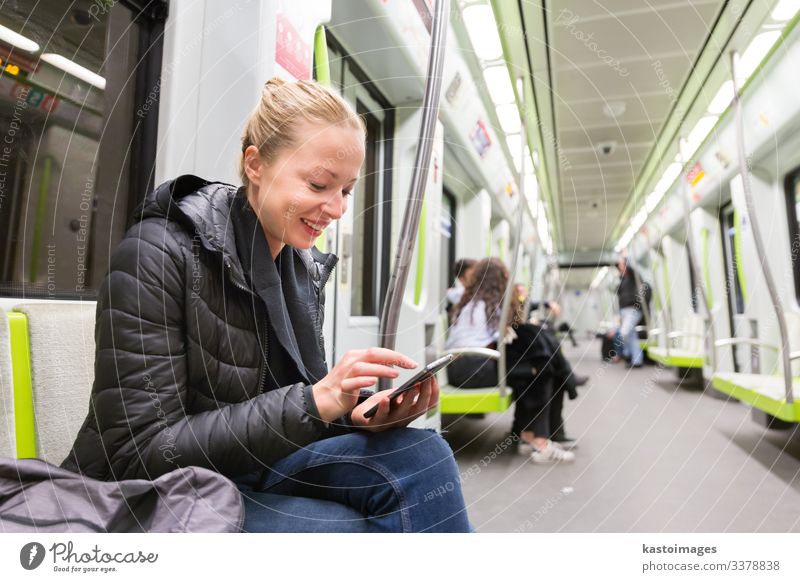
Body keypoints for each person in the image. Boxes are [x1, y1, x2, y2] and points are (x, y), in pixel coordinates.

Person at [61, 78, 471, 533]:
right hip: (154, 493)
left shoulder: (298, 267)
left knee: (424, 455)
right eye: (319, 184)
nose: (336, 209)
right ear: (254, 165)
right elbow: (138, 452)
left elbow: (286, 409)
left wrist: (358, 414)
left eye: (347, 191)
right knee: (343, 530)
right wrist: (318, 401)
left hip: (253, 468)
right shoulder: (156, 254)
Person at [444, 258, 575, 464]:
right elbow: (506, 336)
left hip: (458, 368)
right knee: (540, 371)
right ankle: (541, 443)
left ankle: (527, 435)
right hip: (477, 367)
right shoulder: (493, 305)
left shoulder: (469, 301)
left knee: (530, 370)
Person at [613, 257, 648, 368]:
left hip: (633, 309)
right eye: (619, 265)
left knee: (624, 332)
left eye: (623, 265)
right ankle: (637, 360)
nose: (620, 267)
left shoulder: (633, 277)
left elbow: (631, 270)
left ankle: (627, 354)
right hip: (624, 311)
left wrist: (625, 257)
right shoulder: (622, 280)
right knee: (632, 336)